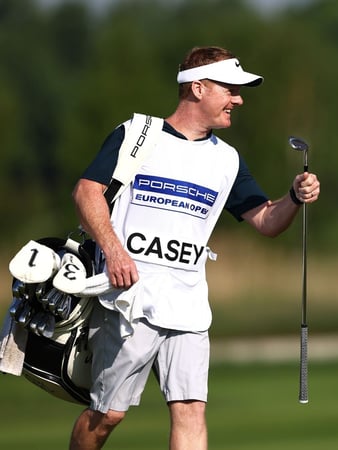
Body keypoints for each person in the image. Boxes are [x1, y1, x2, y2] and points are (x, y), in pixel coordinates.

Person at [69, 46, 321, 450]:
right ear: (198, 88)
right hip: (128, 299)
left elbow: (266, 221)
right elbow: (86, 193)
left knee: (191, 409)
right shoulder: (138, 134)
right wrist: (114, 251)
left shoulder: (228, 160)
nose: (238, 100)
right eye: (230, 89)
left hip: (188, 305)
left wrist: (292, 196)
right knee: (107, 415)